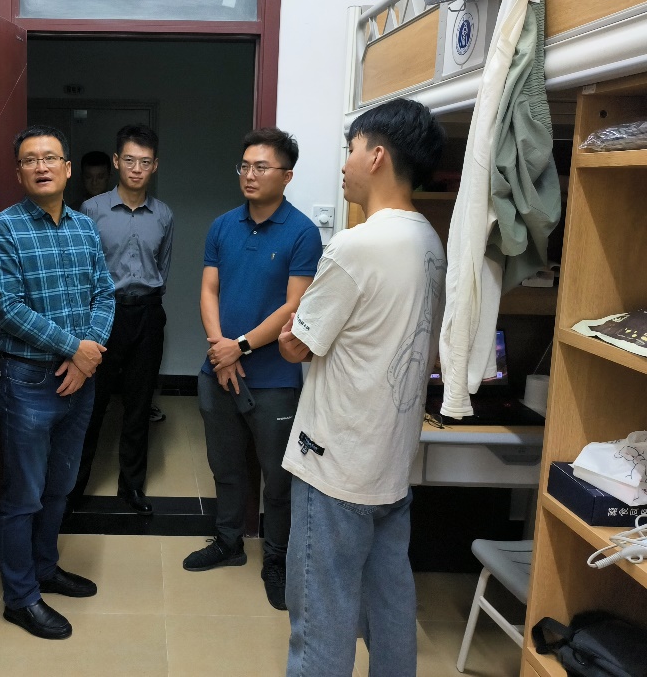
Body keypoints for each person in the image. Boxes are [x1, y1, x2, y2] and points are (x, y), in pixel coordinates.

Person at [278, 98, 447, 677]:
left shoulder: (356, 245)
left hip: (336, 463)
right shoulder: (429, 239)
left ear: (376, 156)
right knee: (389, 607)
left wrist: (294, 329)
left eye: (350, 150)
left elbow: (298, 344)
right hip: (390, 464)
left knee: (321, 622)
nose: (345, 164)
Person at [0, 125, 115, 640]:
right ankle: (20, 598)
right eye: (30, 160)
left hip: (81, 380)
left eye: (50, 158)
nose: (41, 166)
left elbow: (104, 295)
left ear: (67, 168)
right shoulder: (3, 229)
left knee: (60, 487)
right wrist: (74, 348)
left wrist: (87, 355)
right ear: (19, 172)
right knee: (25, 495)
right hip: (28, 382)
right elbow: (8, 309)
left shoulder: (85, 227)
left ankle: (44, 568)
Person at [183, 128, 321, 612]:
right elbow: (208, 290)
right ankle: (228, 542)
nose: (249, 174)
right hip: (217, 370)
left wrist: (238, 347)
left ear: (287, 175)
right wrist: (219, 350)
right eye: (244, 165)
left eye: (261, 167)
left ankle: (276, 559)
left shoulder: (302, 232)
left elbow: (294, 306)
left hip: (274, 380)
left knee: (277, 480)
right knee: (224, 466)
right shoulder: (222, 226)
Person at [72, 124, 174, 516]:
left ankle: (131, 487)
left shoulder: (163, 215)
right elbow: (83, 271)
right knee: (91, 404)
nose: (136, 168)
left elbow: (163, 268)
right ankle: (73, 487)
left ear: (155, 166)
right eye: (129, 160)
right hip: (103, 313)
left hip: (147, 314)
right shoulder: (91, 210)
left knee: (138, 403)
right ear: (117, 161)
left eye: (144, 162)